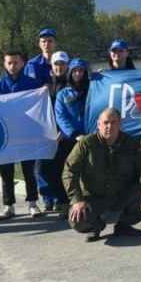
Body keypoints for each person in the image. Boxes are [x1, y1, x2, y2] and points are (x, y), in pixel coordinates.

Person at [63, 108, 141, 242]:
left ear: (120, 124)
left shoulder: (131, 144)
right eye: (106, 122)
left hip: (123, 194)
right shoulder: (85, 144)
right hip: (94, 197)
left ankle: (123, 226)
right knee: (77, 219)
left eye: (114, 122)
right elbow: (69, 172)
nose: (109, 126)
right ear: (98, 124)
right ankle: (96, 226)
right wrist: (77, 200)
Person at [0, 50, 44, 221]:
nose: (13, 66)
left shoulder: (33, 84)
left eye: (16, 62)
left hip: (27, 134)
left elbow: (40, 108)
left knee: (29, 171)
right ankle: (8, 206)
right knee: (6, 173)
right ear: (5, 64)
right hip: (5, 137)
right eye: (9, 63)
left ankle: (33, 203)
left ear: (23, 63)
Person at [53, 58, 91, 217]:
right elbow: (60, 116)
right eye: (75, 70)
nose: (78, 73)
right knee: (69, 171)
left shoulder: (93, 89)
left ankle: (91, 202)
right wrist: (75, 134)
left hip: (90, 138)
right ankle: (68, 202)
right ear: (70, 73)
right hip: (70, 139)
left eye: (81, 70)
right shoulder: (63, 94)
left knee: (90, 172)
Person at [36, 50, 70, 212]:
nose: (59, 67)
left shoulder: (73, 83)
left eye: (62, 64)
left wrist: (65, 131)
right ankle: (55, 198)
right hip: (48, 135)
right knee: (42, 169)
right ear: (52, 66)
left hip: (67, 136)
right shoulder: (45, 85)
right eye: (56, 64)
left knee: (62, 169)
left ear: (67, 66)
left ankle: (64, 201)